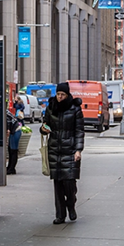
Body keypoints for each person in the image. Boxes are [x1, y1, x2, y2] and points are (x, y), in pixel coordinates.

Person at [40, 82, 84, 225]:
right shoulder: (51, 107)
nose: (60, 97)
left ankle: (71, 204)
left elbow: (79, 131)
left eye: (62, 94)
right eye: (58, 94)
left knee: (69, 182)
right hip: (54, 149)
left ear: (67, 94)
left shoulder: (75, 109)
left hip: (70, 150)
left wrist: (78, 150)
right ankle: (60, 215)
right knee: (58, 183)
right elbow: (45, 124)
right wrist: (43, 129)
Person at [6, 110, 23, 175]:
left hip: (15, 130)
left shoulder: (4, 113)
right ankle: (10, 167)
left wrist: (7, 129)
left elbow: (7, 122)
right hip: (15, 130)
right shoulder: (7, 112)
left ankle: (11, 168)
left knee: (13, 150)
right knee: (11, 149)